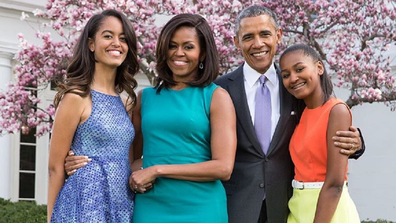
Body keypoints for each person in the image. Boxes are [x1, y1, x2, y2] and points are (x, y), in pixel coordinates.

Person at [214, 5, 365, 223]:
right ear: (237, 42)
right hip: (237, 206)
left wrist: (357, 144)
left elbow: (323, 118)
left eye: (265, 34)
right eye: (248, 37)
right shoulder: (220, 89)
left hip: (286, 206)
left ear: (278, 36)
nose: (258, 44)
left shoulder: (297, 87)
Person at [128, 13, 236, 223]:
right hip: (151, 205)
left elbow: (224, 168)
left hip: (202, 208)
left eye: (188, 47)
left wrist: (157, 170)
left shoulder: (216, 97)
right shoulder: (145, 98)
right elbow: (130, 155)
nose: (179, 53)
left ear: (202, 53)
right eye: (172, 45)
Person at [47, 9, 139, 222]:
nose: (116, 43)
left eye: (123, 38)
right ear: (91, 44)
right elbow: (54, 168)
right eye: (108, 36)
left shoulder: (127, 104)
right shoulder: (76, 97)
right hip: (83, 206)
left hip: (122, 204)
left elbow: (129, 160)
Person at [279, 43, 360, 222]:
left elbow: (335, 184)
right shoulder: (301, 114)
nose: (293, 78)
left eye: (299, 69)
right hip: (298, 207)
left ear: (319, 67)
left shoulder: (336, 110)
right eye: (286, 75)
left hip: (329, 210)